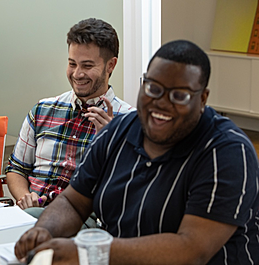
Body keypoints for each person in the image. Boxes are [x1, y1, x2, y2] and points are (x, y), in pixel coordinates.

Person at [14, 40, 259, 264]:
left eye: (179, 95)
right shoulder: (117, 131)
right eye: (153, 89)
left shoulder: (226, 152)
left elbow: (191, 249)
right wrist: (45, 230)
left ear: (203, 98)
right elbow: (73, 202)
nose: (162, 103)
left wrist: (89, 253)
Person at [5, 18, 134, 213]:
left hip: (82, 221)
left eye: (87, 66)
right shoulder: (42, 110)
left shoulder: (128, 121)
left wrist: (109, 143)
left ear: (111, 65)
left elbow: (130, 189)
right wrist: (25, 197)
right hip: (31, 213)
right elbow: (16, 169)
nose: (77, 74)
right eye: (72, 64)